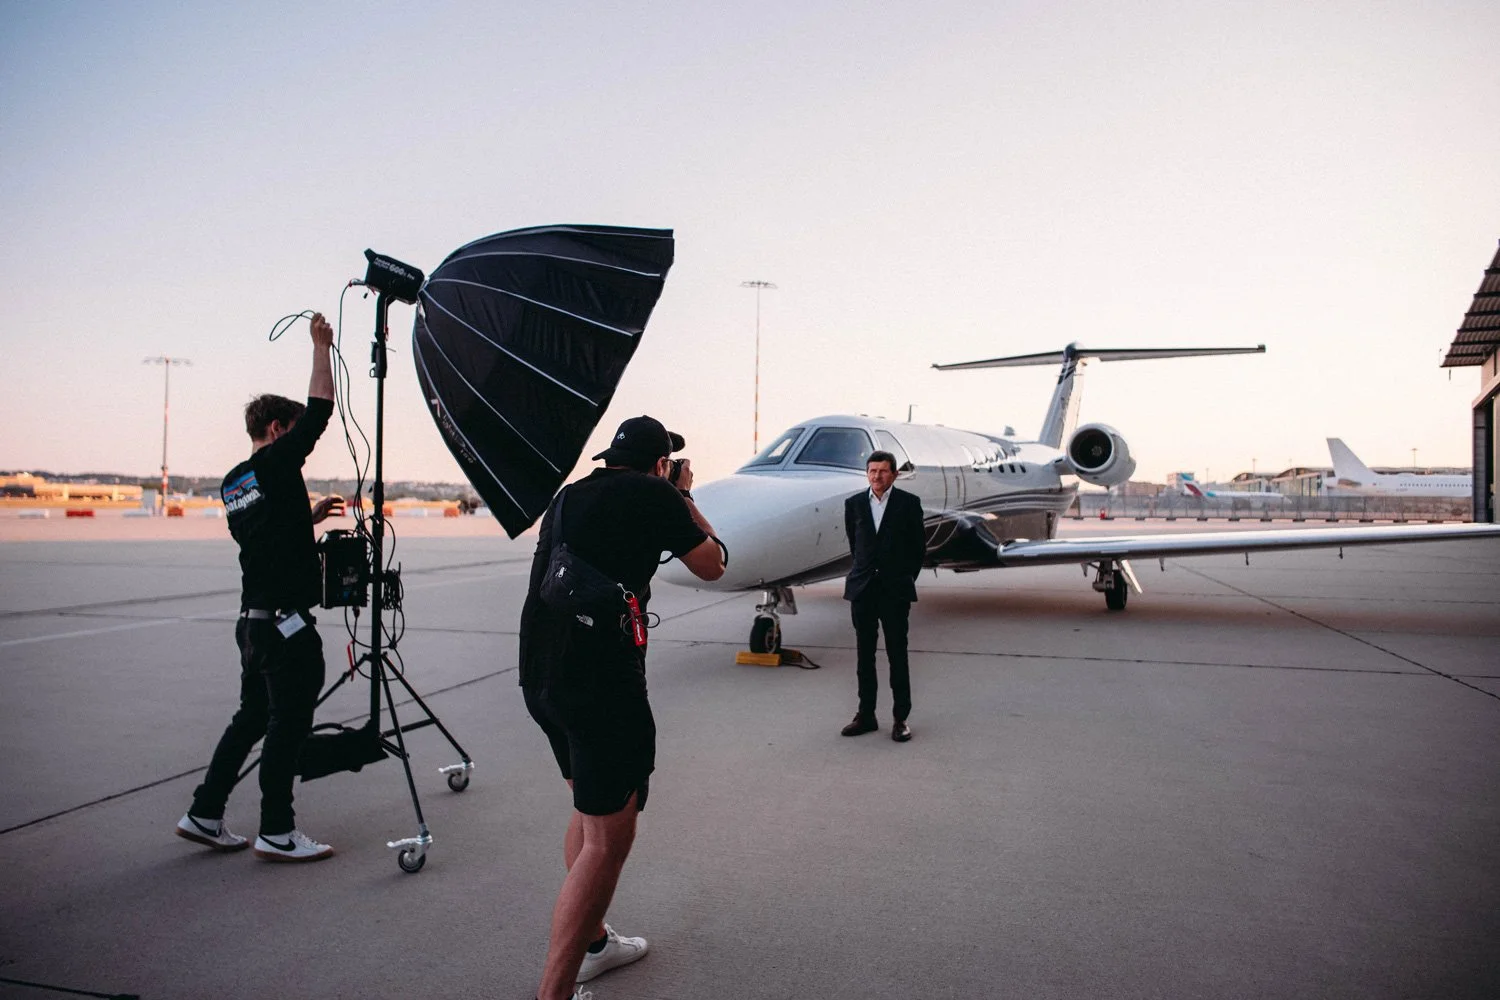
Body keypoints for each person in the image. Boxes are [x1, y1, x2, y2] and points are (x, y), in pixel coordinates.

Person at [519, 415, 726, 1000]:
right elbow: (714, 563)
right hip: (600, 684)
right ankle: (555, 992)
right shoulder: (656, 494)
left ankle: (595, 945)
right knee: (608, 841)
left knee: (590, 814)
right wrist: (682, 497)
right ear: (661, 463)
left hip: (541, 676)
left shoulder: (568, 497)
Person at [175, 312, 345, 862]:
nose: (300, 444)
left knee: (250, 717)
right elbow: (321, 410)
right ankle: (277, 829)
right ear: (276, 430)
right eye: (292, 434)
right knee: (287, 724)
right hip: (285, 625)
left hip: (252, 623)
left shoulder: (236, 481)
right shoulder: (276, 462)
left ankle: (205, 812)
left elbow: (264, 538)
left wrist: (306, 519)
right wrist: (321, 347)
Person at [841, 450, 926, 742]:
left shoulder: (908, 504)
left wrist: (902, 579)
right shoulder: (854, 504)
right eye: (872, 471)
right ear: (867, 473)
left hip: (895, 592)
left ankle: (900, 718)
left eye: (883, 471)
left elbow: (918, 549)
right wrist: (865, 574)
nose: (877, 476)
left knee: (897, 655)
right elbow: (856, 546)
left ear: (894, 474)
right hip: (862, 591)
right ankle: (866, 715)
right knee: (864, 657)